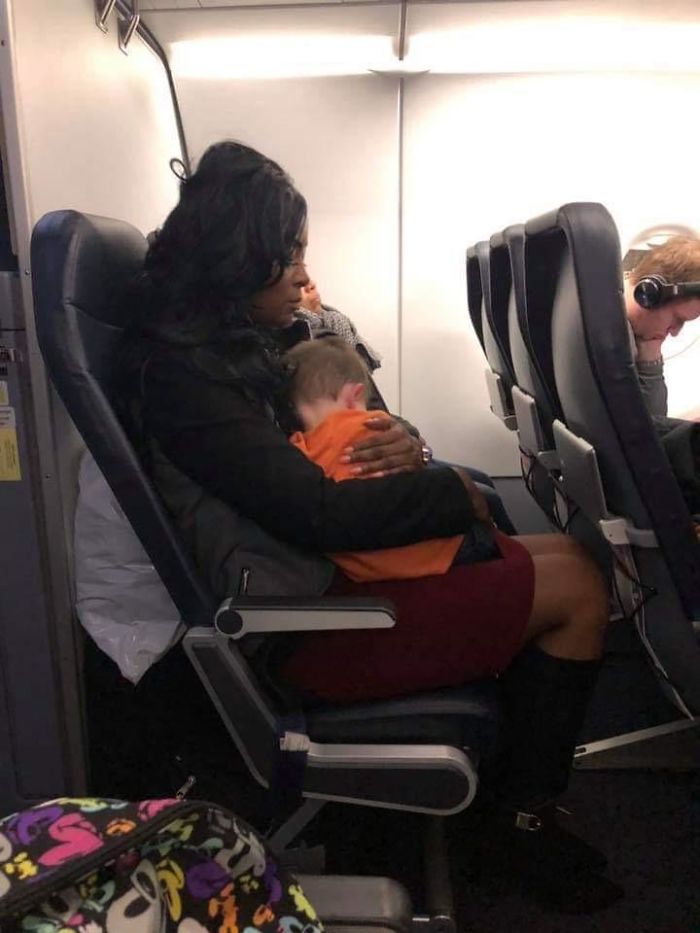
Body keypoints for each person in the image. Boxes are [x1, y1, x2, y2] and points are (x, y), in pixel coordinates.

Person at [121, 140, 621, 911]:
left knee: (560, 551)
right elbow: (317, 513)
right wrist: (457, 490)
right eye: (284, 256)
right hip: (307, 627)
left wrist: (409, 442)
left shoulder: (237, 350)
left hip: (331, 587)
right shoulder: (186, 378)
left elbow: (340, 440)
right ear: (235, 259)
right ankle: (513, 826)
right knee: (581, 584)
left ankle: (502, 804)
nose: (299, 275)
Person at [293, 276, 518, 534]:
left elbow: (375, 406)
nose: (307, 281)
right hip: (366, 480)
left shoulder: (334, 328)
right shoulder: (310, 349)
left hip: (391, 450)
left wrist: (411, 439)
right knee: (482, 493)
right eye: (294, 265)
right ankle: (507, 556)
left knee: (481, 480)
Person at [285, 337, 499, 580]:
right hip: (437, 553)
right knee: (486, 514)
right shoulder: (374, 424)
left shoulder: (298, 448)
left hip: (362, 569)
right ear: (354, 395)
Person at [624, 236, 700, 419]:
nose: (674, 332)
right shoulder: (615, 336)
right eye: (678, 319)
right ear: (650, 294)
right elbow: (652, 428)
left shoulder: (636, 335)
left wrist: (651, 357)